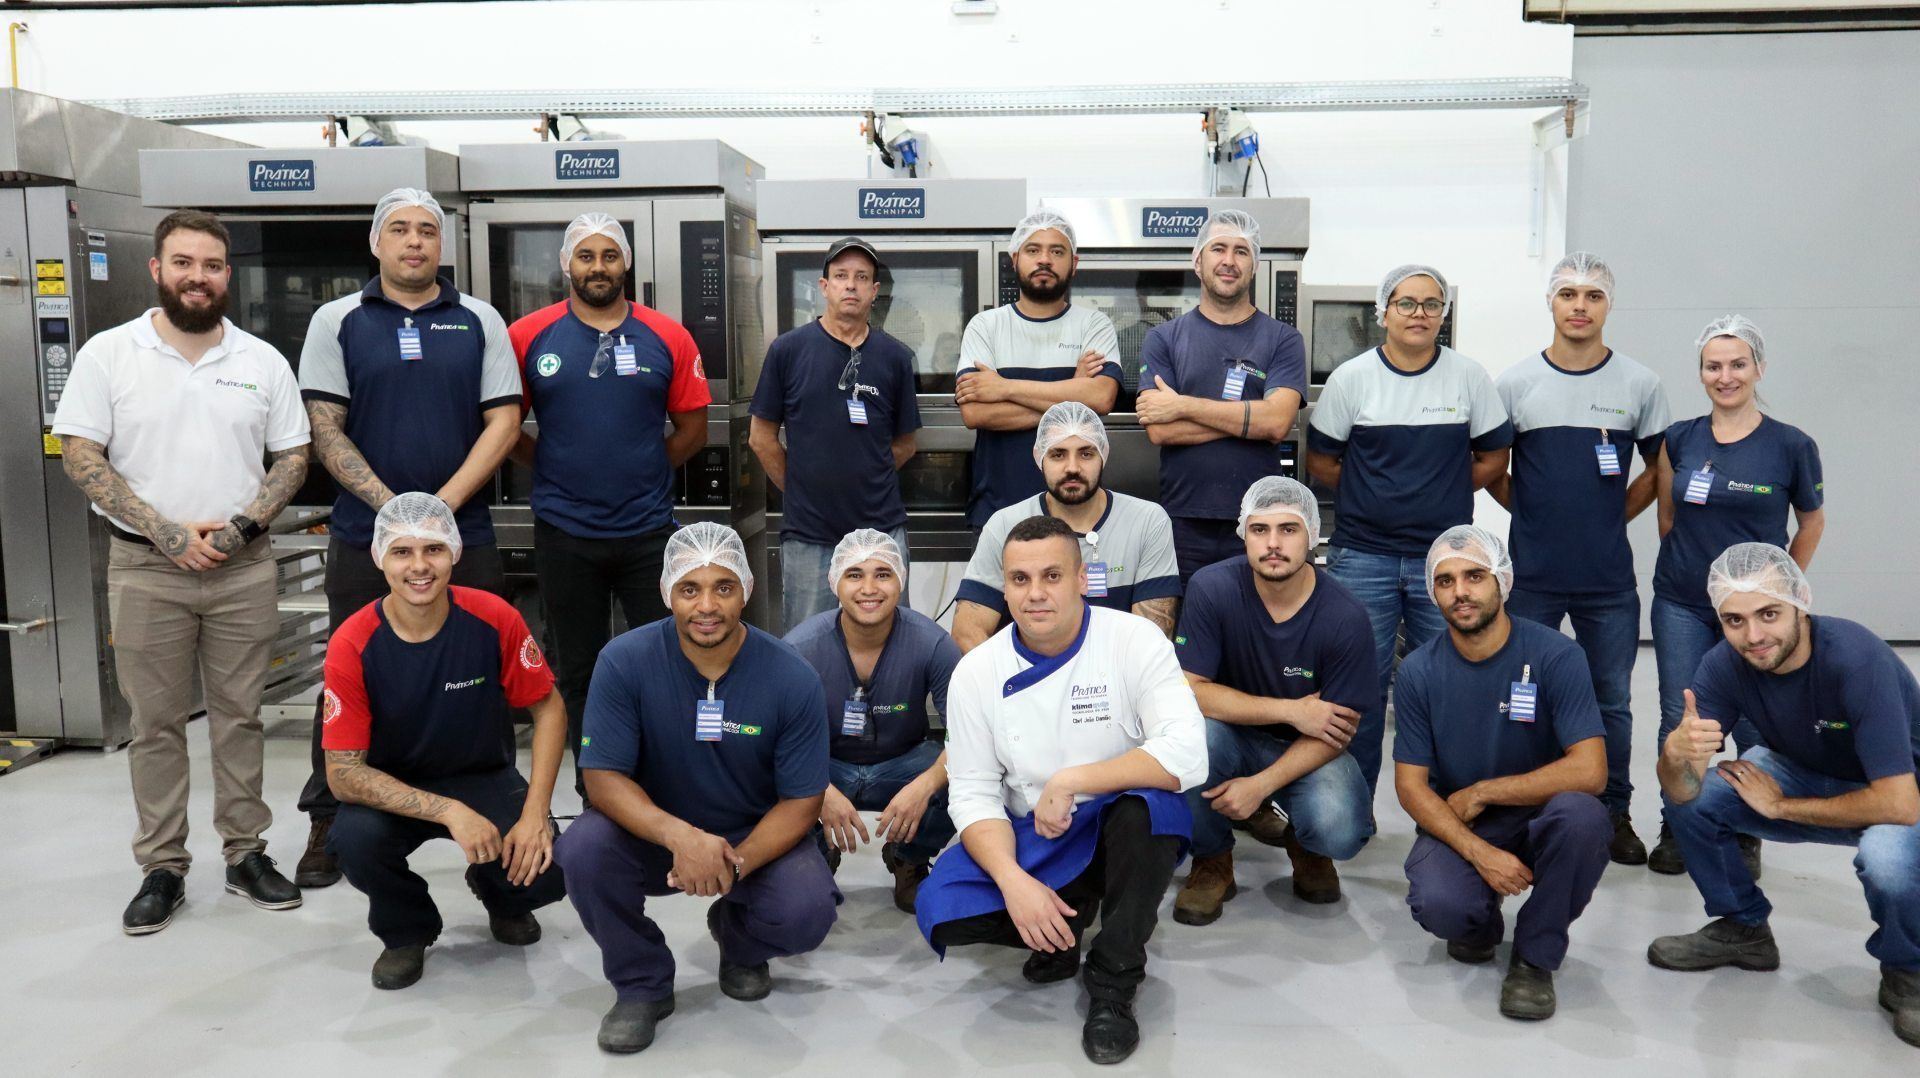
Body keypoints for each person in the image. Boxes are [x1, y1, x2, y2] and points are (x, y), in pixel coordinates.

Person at [52, 209, 310, 934]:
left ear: (227, 275)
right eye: (184, 263)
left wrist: (241, 528)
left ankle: (245, 855)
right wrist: (163, 531)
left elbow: (292, 455)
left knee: (240, 717)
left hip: (242, 565)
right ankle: (162, 867)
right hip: (144, 568)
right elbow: (80, 454)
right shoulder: (111, 354)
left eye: (212, 265)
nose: (198, 277)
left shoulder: (261, 361)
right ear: (157, 270)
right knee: (156, 723)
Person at [916, 515, 1207, 1065]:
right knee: (941, 909)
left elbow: (1189, 753)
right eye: (1020, 580)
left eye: (1052, 576)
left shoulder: (1132, 640)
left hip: (1116, 823)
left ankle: (1113, 982)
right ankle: (1061, 925)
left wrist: (1071, 781)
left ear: (1082, 579)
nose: (1035, 594)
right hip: (1034, 833)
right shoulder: (978, 671)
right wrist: (1013, 880)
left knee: (1153, 810)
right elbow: (974, 792)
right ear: (1004, 587)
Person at [294, 188, 523, 888]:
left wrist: (438, 515)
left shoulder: (480, 319)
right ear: (376, 244)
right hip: (364, 535)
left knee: (482, 674)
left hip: (466, 536)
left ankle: (497, 807)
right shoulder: (338, 320)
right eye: (399, 230)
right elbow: (323, 425)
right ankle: (330, 813)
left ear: (442, 247)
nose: (414, 242)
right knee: (347, 673)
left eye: (427, 230)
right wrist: (395, 514)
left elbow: (505, 422)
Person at [555, 522, 837, 1055]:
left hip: (753, 836)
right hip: (653, 832)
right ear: (667, 593)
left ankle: (740, 940)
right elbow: (602, 776)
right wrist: (680, 838)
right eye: (690, 589)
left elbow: (802, 800)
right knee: (582, 849)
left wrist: (735, 862)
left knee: (807, 912)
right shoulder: (624, 660)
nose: (707, 605)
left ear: (746, 590)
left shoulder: (791, 676)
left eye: (723, 587)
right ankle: (641, 985)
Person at [1647, 544, 1920, 1049]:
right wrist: (1675, 756)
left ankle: (1908, 970)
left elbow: (1900, 804)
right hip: (1807, 772)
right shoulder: (1724, 665)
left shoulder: (1856, 659)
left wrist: (1780, 807)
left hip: (1901, 788)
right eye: (1734, 620)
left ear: (1801, 603)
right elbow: (1681, 790)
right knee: (1698, 798)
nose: (1753, 636)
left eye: (1768, 613)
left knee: (1888, 861)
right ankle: (1744, 928)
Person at [320, 494, 569, 990]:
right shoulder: (352, 642)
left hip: (482, 775)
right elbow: (343, 774)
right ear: (379, 559)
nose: (418, 566)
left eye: (433, 550)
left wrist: (536, 813)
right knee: (353, 840)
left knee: (551, 868)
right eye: (402, 552)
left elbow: (549, 708)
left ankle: (500, 892)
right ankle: (406, 930)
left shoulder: (493, 617)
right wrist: (450, 812)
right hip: (393, 784)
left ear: (454, 552)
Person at [509, 213, 712, 793]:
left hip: (649, 533)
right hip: (563, 533)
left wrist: (641, 468)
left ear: (626, 264)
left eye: (609, 256)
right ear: (567, 265)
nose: (598, 267)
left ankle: (664, 783)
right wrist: (554, 466)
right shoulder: (528, 336)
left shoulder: (667, 336)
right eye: (586, 256)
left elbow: (692, 430)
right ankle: (596, 788)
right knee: (579, 669)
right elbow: (504, 426)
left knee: (668, 663)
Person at [1491, 253, 1671, 865]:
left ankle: (1613, 810)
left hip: (1607, 583)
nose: (1579, 306)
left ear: (1608, 306)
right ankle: (1533, 805)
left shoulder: (1639, 384)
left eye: (1593, 296)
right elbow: (1492, 468)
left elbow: (1660, 468)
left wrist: (1612, 514)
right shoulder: (1515, 384)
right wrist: (1531, 512)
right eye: (1568, 293)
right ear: (1550, 302)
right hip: (1533, 579)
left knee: (1610, 701)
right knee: (1527, 693)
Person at [1306, 264, 1513, 796]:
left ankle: (1450, 805)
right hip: (1363, 558)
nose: (1419, 314)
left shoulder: (1468, 376)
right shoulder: (1352, 378)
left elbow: (1494, 454)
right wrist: (1373, 496)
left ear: (1442, 315)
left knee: (1448, 686)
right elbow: (1323, 462)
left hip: (1443, 563)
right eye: (1406, 303)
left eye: (1430, 304)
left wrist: (1440, 488)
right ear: (1383, 313)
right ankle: (1352, 808)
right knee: (1357, 692)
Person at [1391, 526, 1610, 1022]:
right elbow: (1410, 785)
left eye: (1474, 576)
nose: (1460, 592)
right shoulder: (1419, 672)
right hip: (1464, 822)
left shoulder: (1557, 656)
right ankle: (1478, 925)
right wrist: (1479, 853)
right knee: (1442, 905)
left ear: (1503, 582)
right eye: (1445, 581)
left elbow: (1591, 770)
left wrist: (1486, 790)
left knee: (1583, 819)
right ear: (1432, 593)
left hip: (1540, 815)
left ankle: (1535, 956)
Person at [1646, 315, 1825, 875]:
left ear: (1759, 369)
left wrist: (1782, 592)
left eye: (1737, 364)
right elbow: (1667, 514)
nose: (1725, 376)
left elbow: (1812, 521)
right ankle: (1678, 824)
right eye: (1713, 366)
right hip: (1681, 601)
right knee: (1682, 715)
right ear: (1701, 373)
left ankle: (1745, 827)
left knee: (1753, 719)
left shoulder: (1791, 445)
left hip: (1755, 614)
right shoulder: (1680, 437)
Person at [1172, 478, 1377, 925]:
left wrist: (1260, 786)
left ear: (1312, 536)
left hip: (1305, 750)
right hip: (1228, 732)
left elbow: (1335, 730)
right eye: (1260, 529)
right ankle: (1212, 861)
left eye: (1288, 529)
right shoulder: (1213, 588)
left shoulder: (1345, 616)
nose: (1273, 544)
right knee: (1189, 744)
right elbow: (1190, 689)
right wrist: (1291, 710)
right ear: (1244, 534)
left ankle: (1307, 848)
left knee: (1340, 829)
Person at [785, 529, 960, 913]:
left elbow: (969, 737)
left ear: (901, 580)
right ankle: (816, 855)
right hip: (826, 769)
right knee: (767, 778)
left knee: (968, 775)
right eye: (854, 575)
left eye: (882, 574)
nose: (869, 588)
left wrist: (926, 784)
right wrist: (821, 791)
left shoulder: (932, 644)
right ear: (835, 583)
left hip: (904, 765)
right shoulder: (800, 648)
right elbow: (773, 743)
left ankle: (908, 858)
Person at [750, 236, 921, 630]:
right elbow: (761, 438)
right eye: (841, 276)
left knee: (892, 640)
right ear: (823, 286)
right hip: (810, 534)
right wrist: (802, 487)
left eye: (862, 277)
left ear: (874, 291)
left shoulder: (895, 357)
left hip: (882, 532)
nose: (851, 285)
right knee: (809, 643)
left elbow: (906, 444)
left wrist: (866, 476)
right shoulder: (788, 351)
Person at [1136, 210, 1307, 584]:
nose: (1229, 261)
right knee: (1184, 635)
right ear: (1198, 262)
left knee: (1253, 636)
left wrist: (1182, 405)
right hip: (1182, 522)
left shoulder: (1283, 339)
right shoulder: (1163, 338)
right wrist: (1252, 420)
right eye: (1218, 249)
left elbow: (1278, 422)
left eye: (1241, 251)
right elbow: (1160, 432)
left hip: (1260, 523)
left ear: (1254, 265)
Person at [952, 402, 1180, 653]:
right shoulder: (1004, 525)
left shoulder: (1147, 521)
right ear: (1039, 458)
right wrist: (1015, 683)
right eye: (1058, 454)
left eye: (1086, 453)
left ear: (1103, 455)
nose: (1072, 467)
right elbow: (967, 632)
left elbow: (1152, 639)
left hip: (1116, 682)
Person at [956, 210, 1121, 529]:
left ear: (1074, 263)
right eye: (1033, 250)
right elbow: (975, 413)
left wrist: (1004, 388)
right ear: (1015, 259)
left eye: (1057, 251)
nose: (1044, 259)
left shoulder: (1093, 324)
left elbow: (1100, 399)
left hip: (1077, 511)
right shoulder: (986, 327)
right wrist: (1073, 396)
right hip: (998, 510)